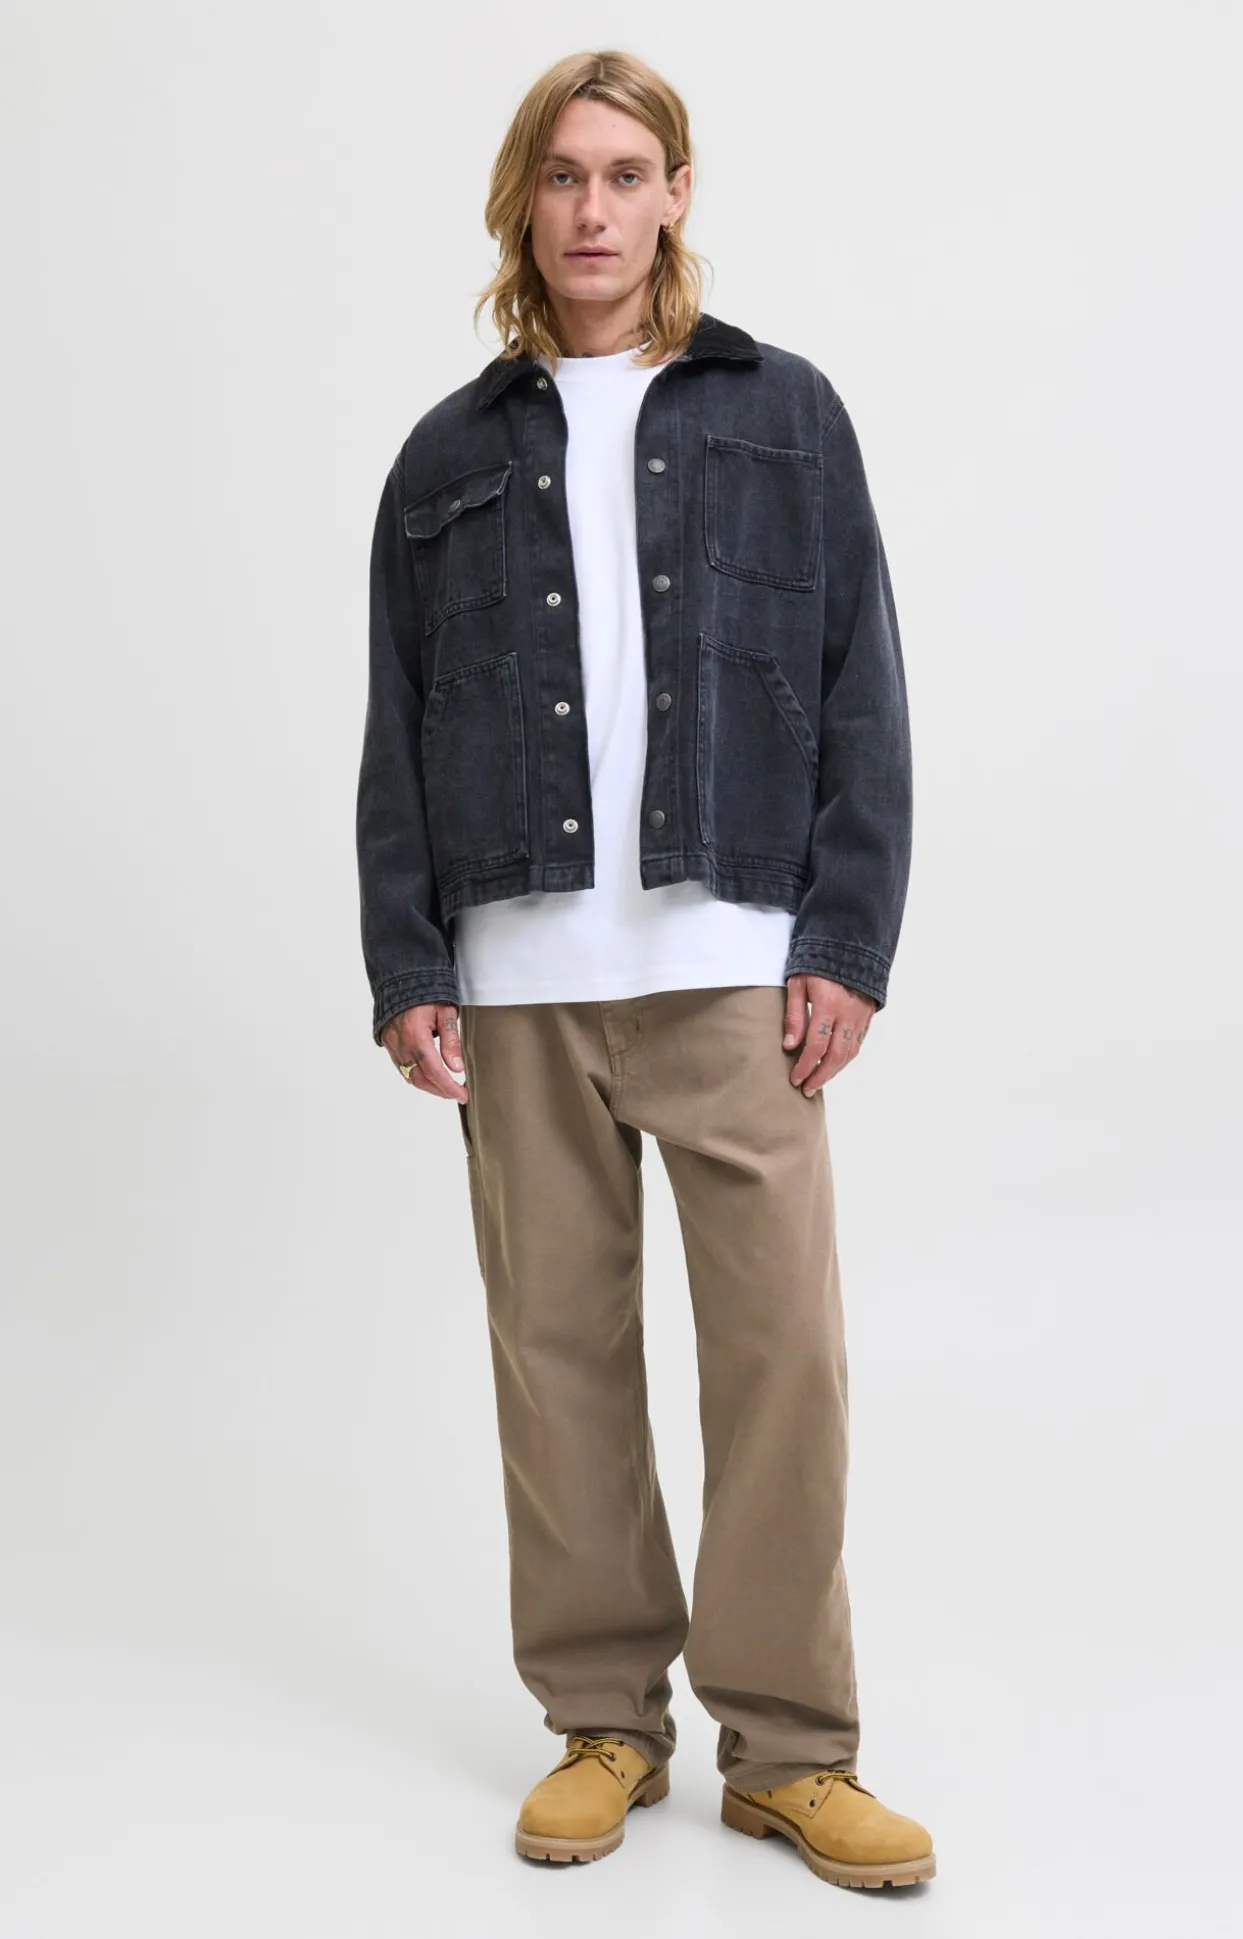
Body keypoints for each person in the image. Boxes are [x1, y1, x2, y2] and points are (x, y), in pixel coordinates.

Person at [355, 47, 935, 1892]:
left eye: (625, 173)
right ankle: (605, 1719)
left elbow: (863, 685)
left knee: (783, 1358)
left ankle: (792, 1748)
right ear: (523, 206)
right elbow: (396, 724)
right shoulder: (448, 455)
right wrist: (406, 956)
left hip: (732, 960)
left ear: (678, 192)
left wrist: (844, 940)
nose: (592, 209)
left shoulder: (785, 414)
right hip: (518, 974)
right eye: (562, 177)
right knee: (558, 1360)